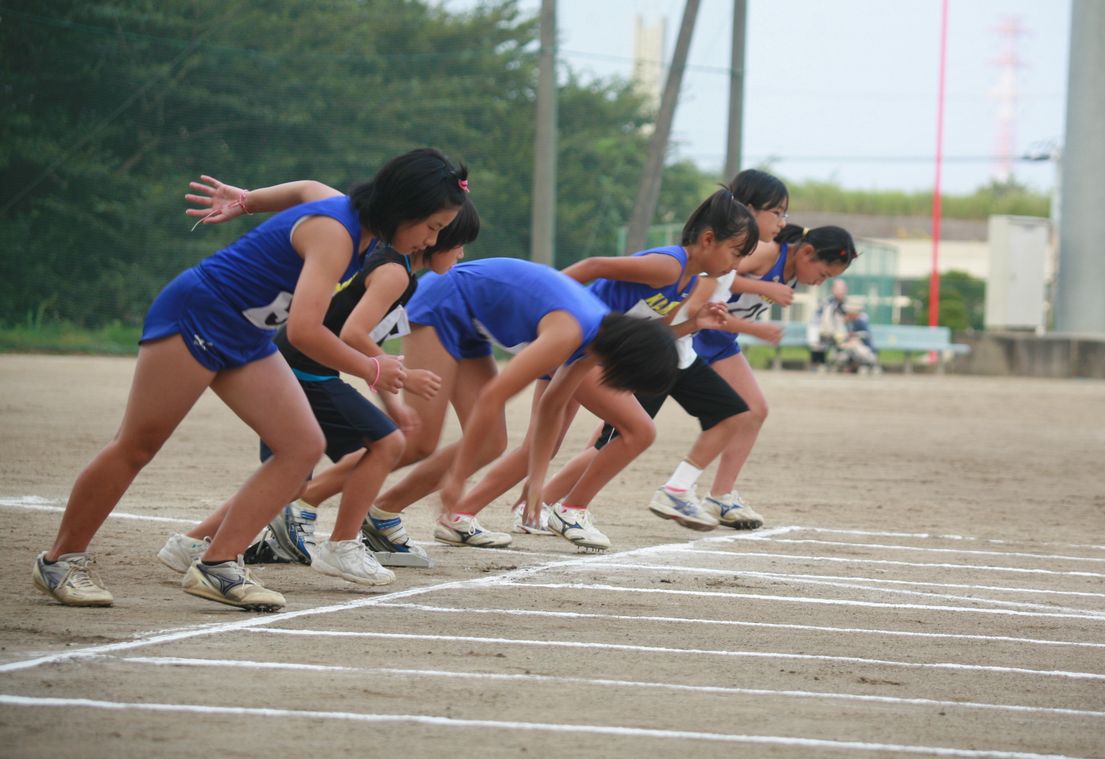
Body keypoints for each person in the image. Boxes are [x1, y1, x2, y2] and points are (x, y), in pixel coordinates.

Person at [32, 148, 468, 611]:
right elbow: (303, 330)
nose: (430, 240)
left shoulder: (352, 219)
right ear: (402, 208)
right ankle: (59, 561)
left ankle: (216, 565)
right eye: (433, 227)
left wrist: (246, 200)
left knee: (300, 447)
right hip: (198, 313)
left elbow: (304, 187)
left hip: (246, 332)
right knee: (138, 444)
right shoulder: (337, 234)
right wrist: (373, 367)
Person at [156, 186, 482, 583]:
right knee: (386, 444)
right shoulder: (394, 272)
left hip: (303, 367)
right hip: (303, 369)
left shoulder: (396, 267)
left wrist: (393, 405)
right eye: (456, 241)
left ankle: (192, 543)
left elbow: (366, 344)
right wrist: (400, 376)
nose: (460, 252)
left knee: (293, 479)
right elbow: (353, 334)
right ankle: (342, 545)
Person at [402, 188, 754, 550]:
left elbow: (652, 334)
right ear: (709, 240)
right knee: (638, 430)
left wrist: (694, 324)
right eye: (736, 252)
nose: (736, 264)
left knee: (545, 439)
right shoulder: (669, 265)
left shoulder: (689, 282)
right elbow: (592, 266)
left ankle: (460, 513)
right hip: (581, 338)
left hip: (588, 348)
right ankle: (571, 508)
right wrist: (549, 306)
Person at [358, 257, 683, 555]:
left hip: (470, 322)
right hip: (443, 301)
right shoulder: (571, 330)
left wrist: (537, 480)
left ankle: (382, 515)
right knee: (420, 440)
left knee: (491, 443)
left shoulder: (597, 341)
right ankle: (310, 500)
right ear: (626, 362)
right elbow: (494, 395)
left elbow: (551, 406)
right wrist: (457, 476)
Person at [688, 219, 858, 526]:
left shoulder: (795, 269)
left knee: (755, 410)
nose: (821, 282)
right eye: (823, 274)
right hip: (694, 332)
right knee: (634, 417)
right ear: (806, 253)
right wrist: (763, 288)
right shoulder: (768, 252)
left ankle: (720, 497)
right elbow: (713, 276)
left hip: (722, 339)